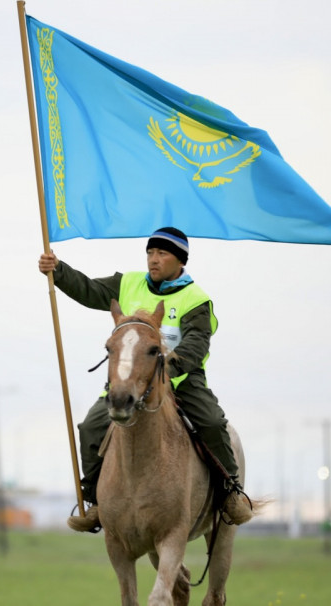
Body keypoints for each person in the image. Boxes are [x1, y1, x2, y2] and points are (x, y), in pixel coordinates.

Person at [38, 227, 255, 532]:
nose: (153, 260)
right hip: (131, 382)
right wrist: (58, 271)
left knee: (212, 423)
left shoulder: (196, 299)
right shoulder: (128, 283)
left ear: (180, 261)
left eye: (162, 254)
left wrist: (167, 370)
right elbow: (88, 289)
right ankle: (95, 502)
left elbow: (195, 344)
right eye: (150, 253)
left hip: (180, 381)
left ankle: (231, 494)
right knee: (91, 427)